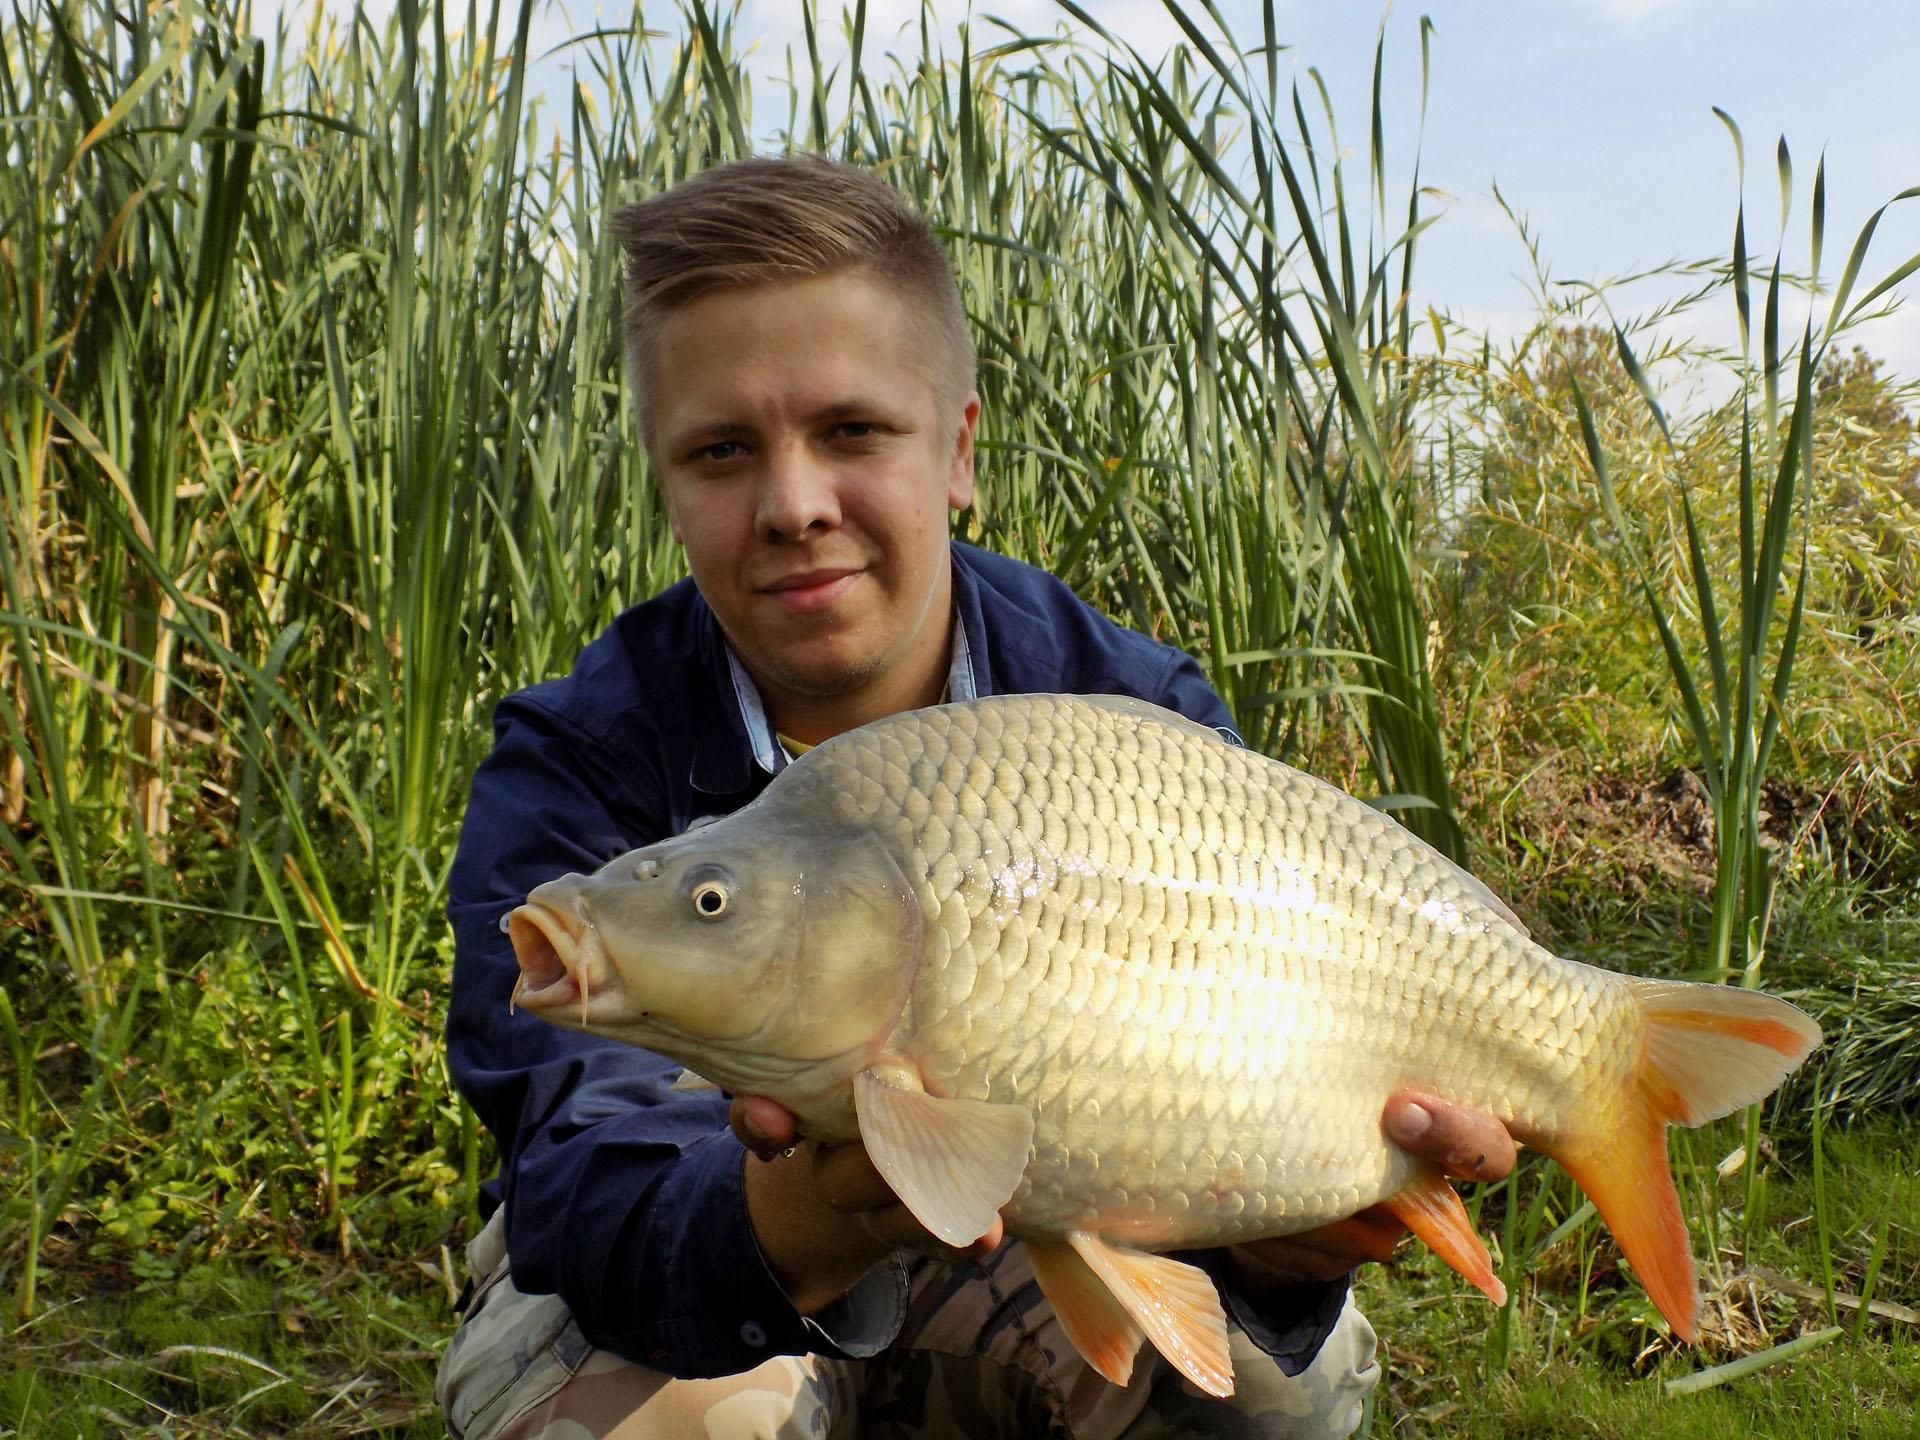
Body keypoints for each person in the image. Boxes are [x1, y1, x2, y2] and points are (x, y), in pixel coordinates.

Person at [436, 155, 1516, 1440]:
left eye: (852, 432)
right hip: (724, 1272)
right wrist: (806, 1215)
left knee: (1277, 1393)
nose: (793, 507)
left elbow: (1233, 1130)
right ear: (666, 479)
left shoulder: (1126, 709)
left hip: (1037, 1248)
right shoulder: (576, 759)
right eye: (721, 451)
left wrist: (1290, 1238)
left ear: (955, 449)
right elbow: (572, 1182)